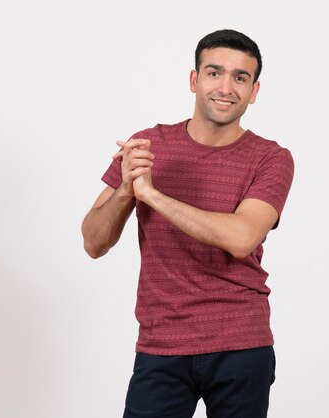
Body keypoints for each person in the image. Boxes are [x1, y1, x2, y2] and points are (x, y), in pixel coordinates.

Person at [81, 29, 294, 418]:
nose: (226, 87)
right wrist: (127, 188)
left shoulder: (271, 158)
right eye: (214, 73)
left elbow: (241, 236)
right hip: (161, 344)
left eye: (240, 77)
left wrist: (152, 195)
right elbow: (93, 243)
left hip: (240, 344)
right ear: (194, 80)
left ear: (254, 90)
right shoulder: (146, 146)